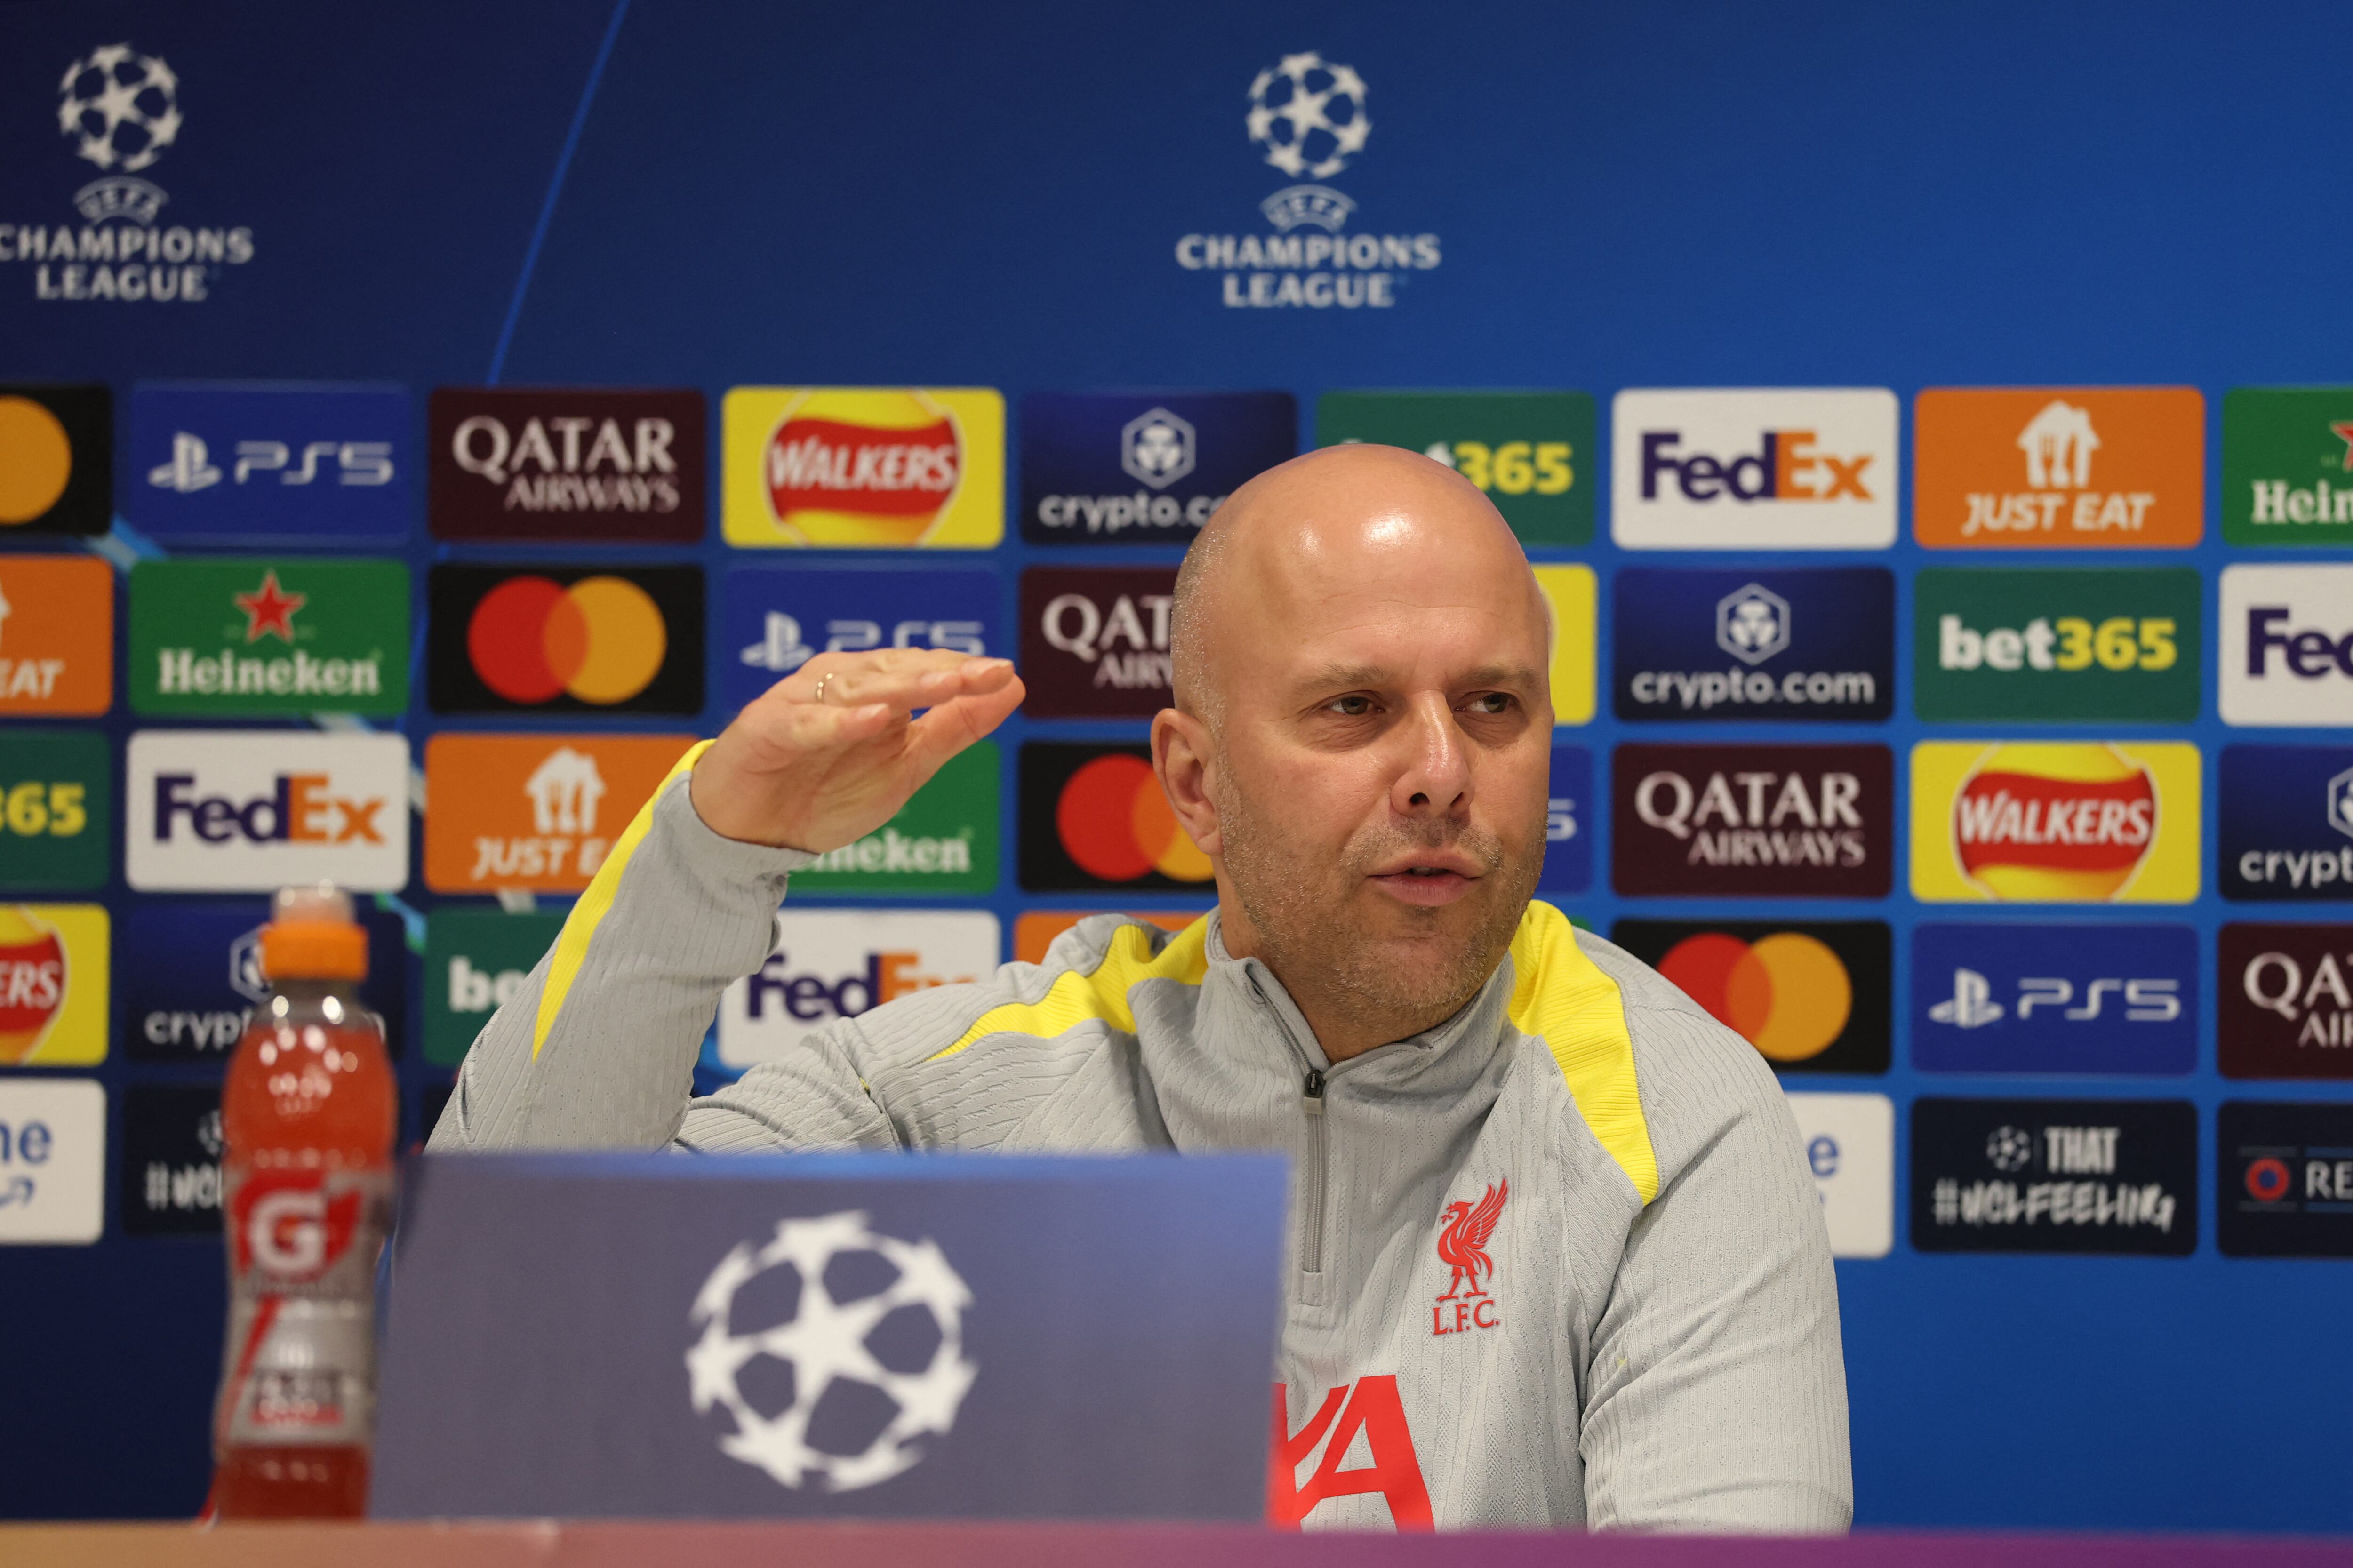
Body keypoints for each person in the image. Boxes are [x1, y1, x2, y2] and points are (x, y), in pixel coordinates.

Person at [430, 443, 1852, 1533]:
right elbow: (509, 1276)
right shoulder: (976, 1086)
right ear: (1193, 781)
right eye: (1353, 707)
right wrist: (710, 849)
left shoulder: (1681, 1112)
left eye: (1493, 704)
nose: (1440, 770)